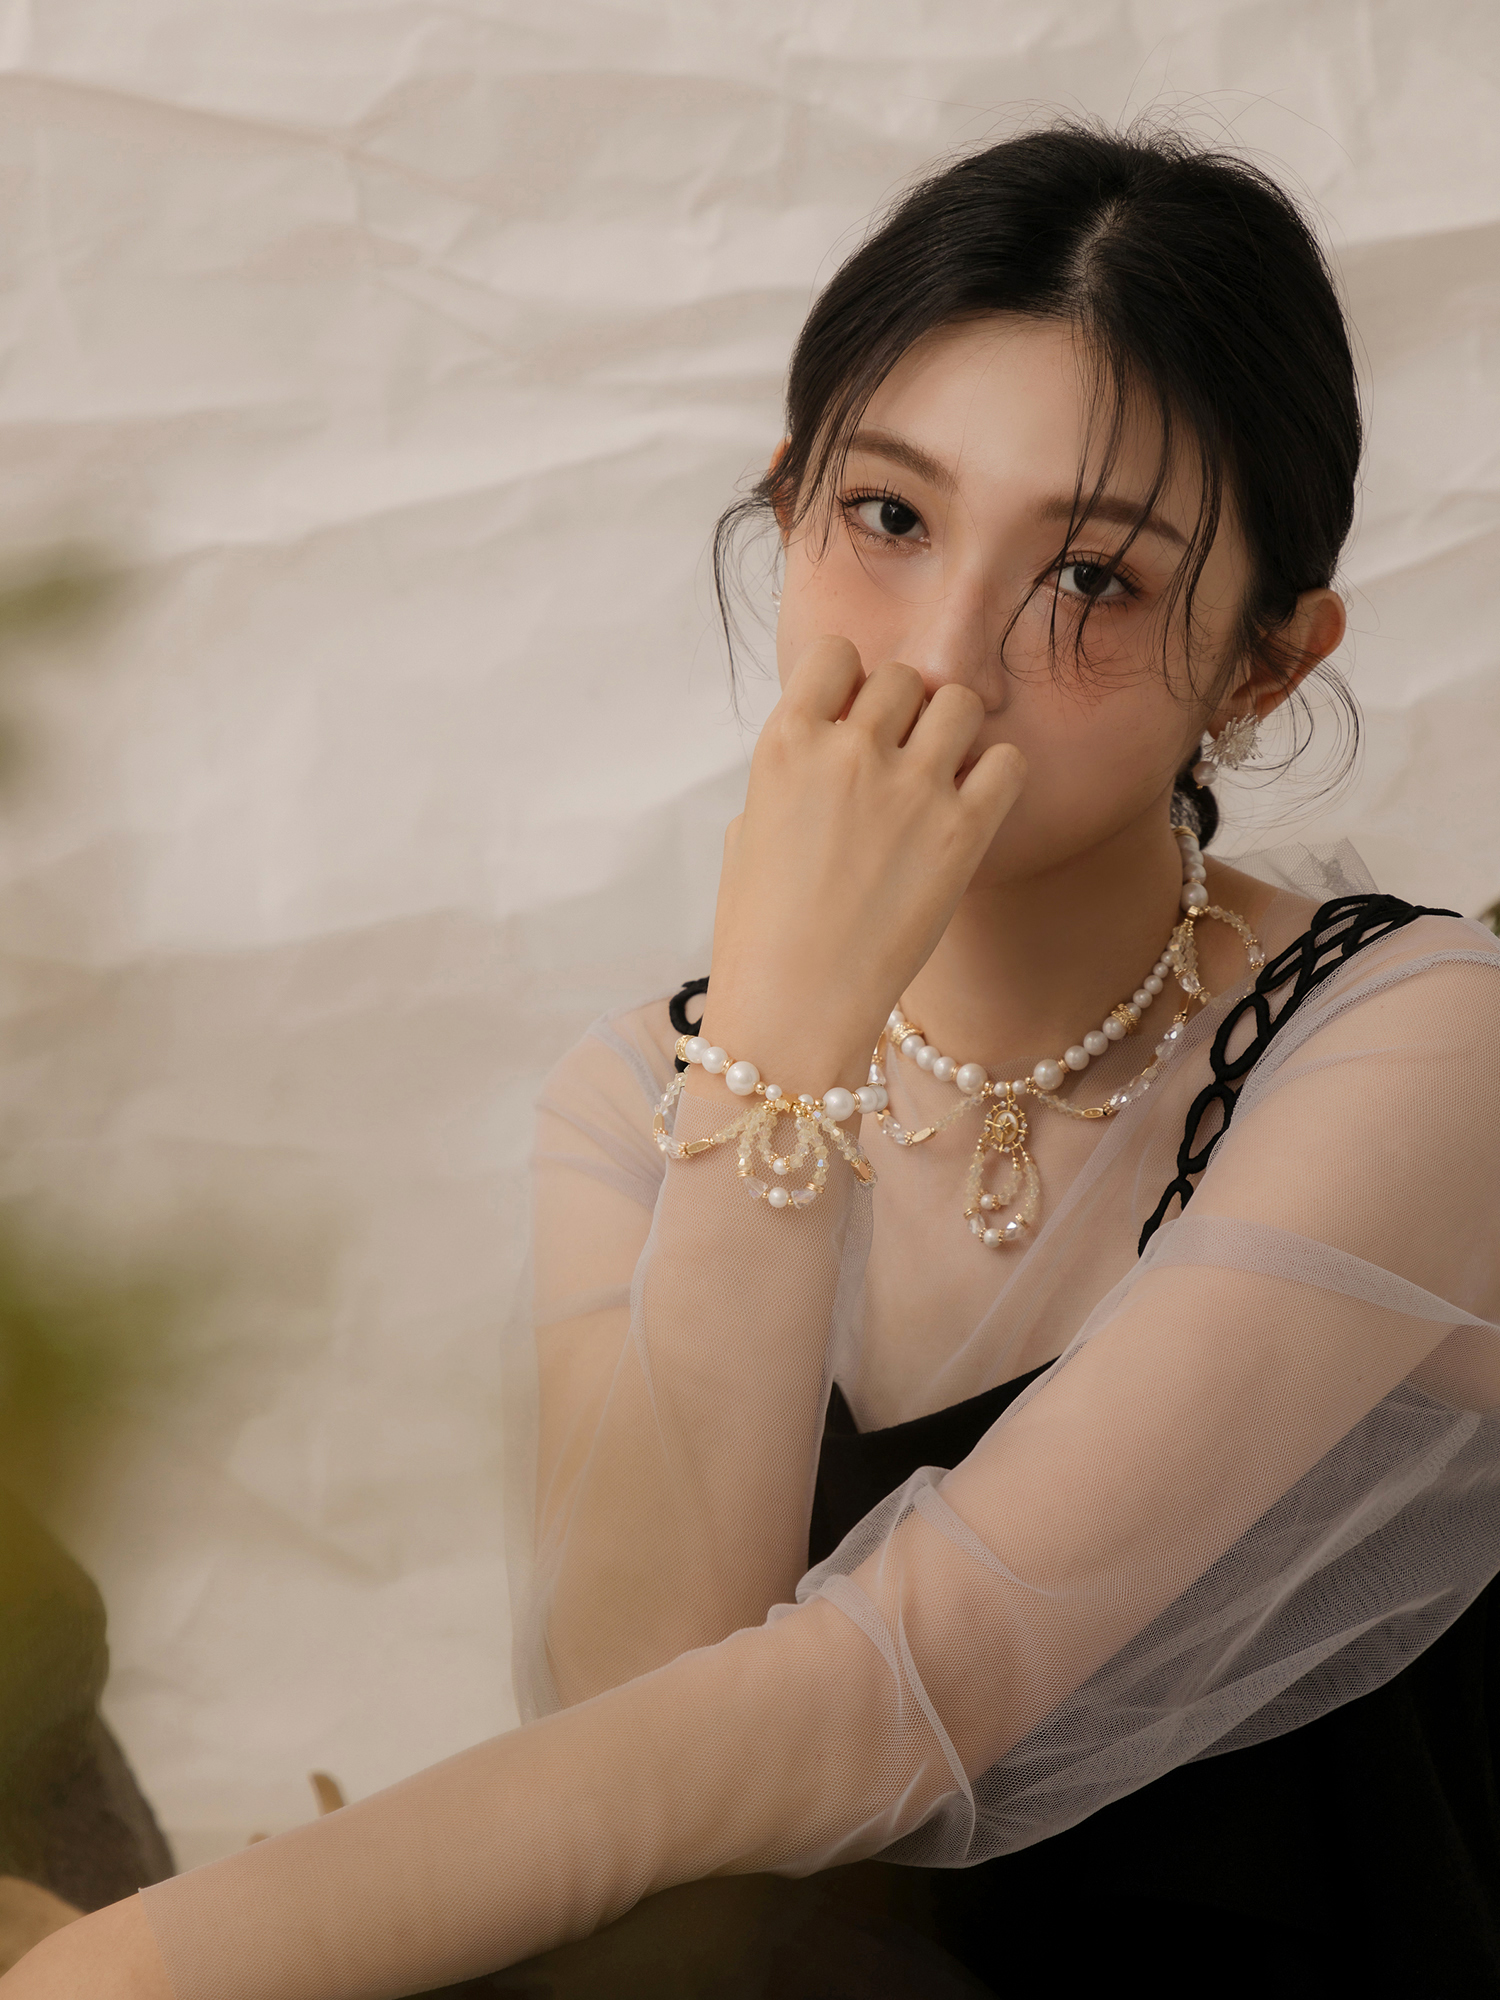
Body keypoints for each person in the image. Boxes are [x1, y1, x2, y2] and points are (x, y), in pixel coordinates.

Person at [8, 119, 1500, 2000]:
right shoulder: (640, 1090)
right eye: (889, 519)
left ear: (1265, 665)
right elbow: (633, 1722)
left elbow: (878, 1705)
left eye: (1094, 581)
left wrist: (133, 1970)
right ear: (789, 510)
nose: (944, 658)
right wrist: (785, 1042)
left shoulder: (1419, 1039)